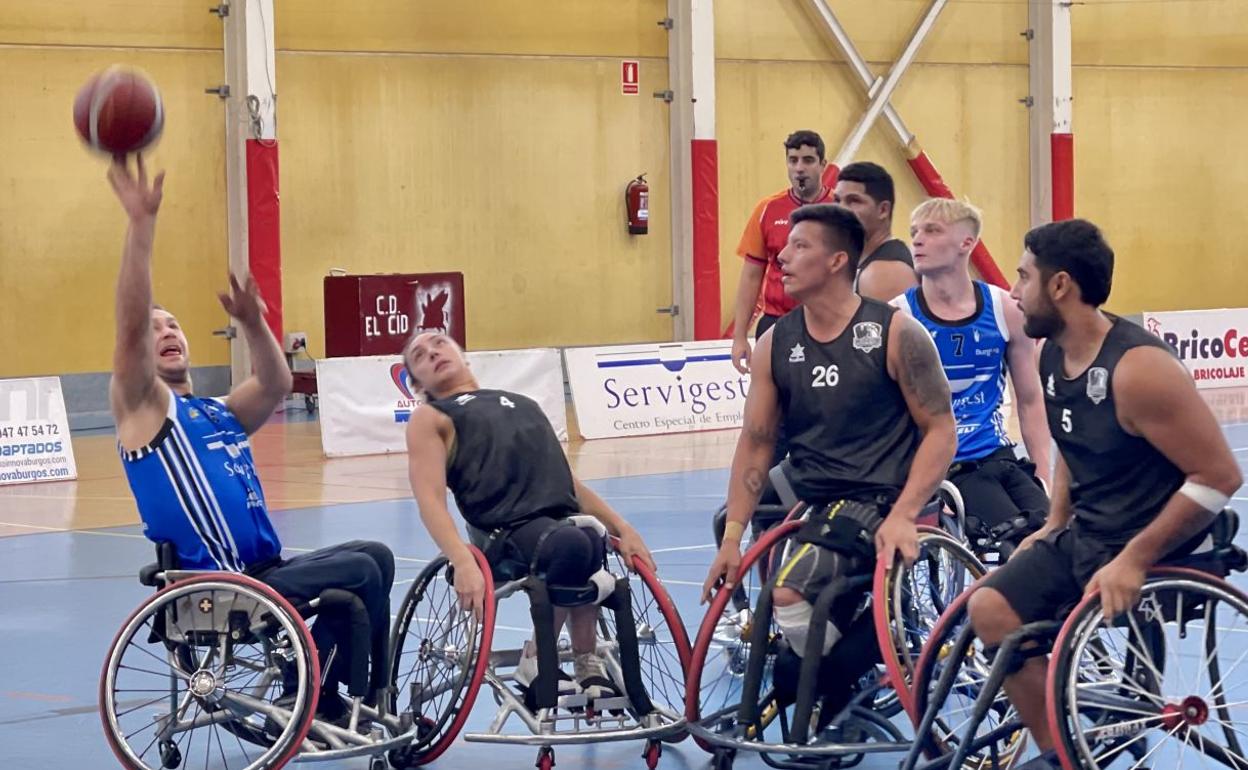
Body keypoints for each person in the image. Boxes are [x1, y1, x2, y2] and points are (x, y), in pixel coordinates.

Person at [107, 156, 395, 724]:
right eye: (156, 328)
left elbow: (276, 383)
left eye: (174, 324)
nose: (166, 331)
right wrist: (141, 226)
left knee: (376, 557)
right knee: (360, 574)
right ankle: (332, 700)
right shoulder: (144, 409)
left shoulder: (215, 412)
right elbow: (131, 321)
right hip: (217, 587)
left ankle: (344, 696)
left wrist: (252, 321)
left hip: (263, 572)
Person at [966, 218, 1243, 759]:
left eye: (1023, 277)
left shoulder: (1139, 370)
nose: (1014, 293)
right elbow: (1072, 445)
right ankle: (1060, 755)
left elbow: (1219, 477)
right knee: (990, 607)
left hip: (1158, 546)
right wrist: (1053, 524)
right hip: (1092, 533)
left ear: (1060, 285)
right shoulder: (1051, 353)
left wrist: (1135, 559)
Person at [702, 203, 957, 722]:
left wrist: (905, 513)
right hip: (813, 497)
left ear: (838, 261)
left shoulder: (896, 333)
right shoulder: (776, 341)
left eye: (800, 247)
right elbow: (756, 443)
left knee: (788, 594)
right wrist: (732, 539)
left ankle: (867, 648)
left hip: (881, 497)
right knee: (790, 633)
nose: (782, 258)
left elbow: (941, 431)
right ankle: (832, 664)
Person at [402, 331, 656, 705]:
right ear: (417, 385)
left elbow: (569, 484)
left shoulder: (524, 405)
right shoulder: (431, 417)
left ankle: (586, 661)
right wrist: (461, 559)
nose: (433, 352)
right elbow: (430, 500)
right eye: (419, 356)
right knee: (573, 541)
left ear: (462, 353)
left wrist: (624, 529)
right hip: (501, 533)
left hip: (557, 526)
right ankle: (536, 660)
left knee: (590, 534)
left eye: (439, 342)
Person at [891, 199, 1051, 549]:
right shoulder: (898, 318)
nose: (917, 240)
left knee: (1054, 535)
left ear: (966, 243)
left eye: (932, 231)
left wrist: (1043, 474)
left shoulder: (1005, 309)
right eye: (914, 232)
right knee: (1015, 544)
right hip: (944, 465)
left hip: (998, 456)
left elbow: (1030, 401)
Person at [730, 129, 834, 377]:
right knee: (771, 395)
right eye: (793, 160)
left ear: (823, 165)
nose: (799, 168)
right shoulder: (767, 209)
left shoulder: (841, 208)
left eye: (808, 160)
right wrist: (739, 336)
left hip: (830, 323)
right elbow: (751, 276)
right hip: (777, 323)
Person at [830, 161, 918, 301]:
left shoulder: (884, 272)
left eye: (853, 201)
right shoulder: (866, 262)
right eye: (837, 200)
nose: (840, 209)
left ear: (883, 210)